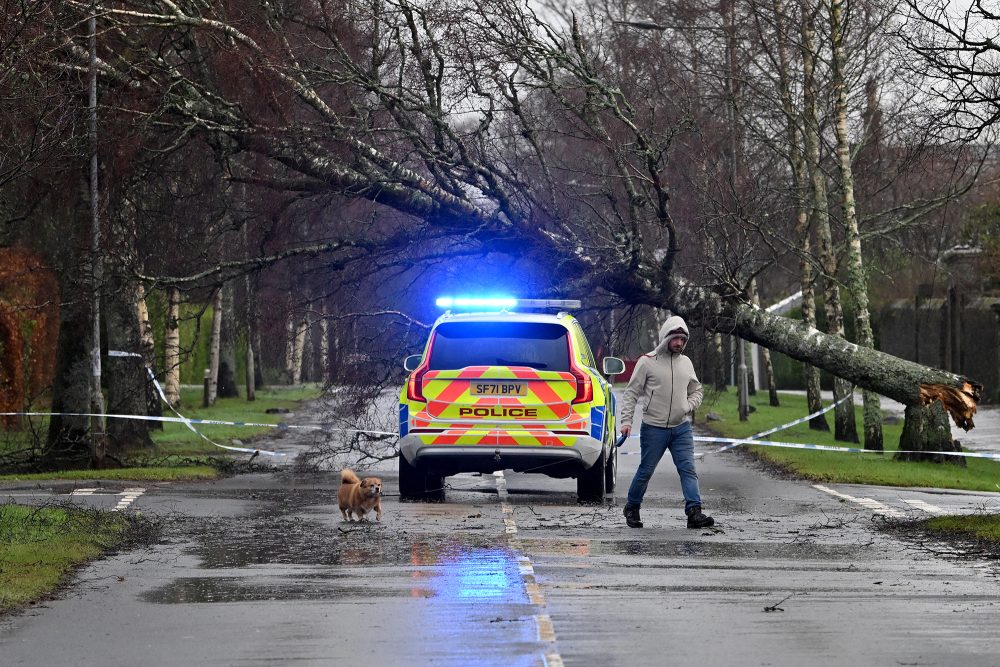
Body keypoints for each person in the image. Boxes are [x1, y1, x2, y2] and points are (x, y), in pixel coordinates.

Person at [619, 315, 714, 529]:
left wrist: (688, 406)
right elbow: (631, 393)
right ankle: (632, 507)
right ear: (665, 338)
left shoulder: (686, 363)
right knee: (646, 470)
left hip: (681, 428)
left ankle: (694, 512)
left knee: (688, 469)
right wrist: (626, 422)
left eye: (682, 339)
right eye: (675, 338)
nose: (679, 343)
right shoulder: (647, 362)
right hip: (654, 428)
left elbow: (697, 390)